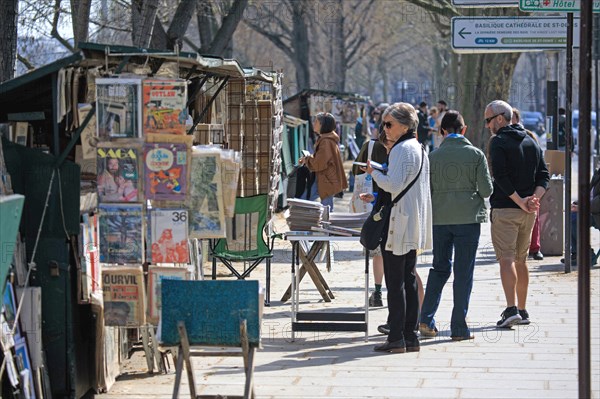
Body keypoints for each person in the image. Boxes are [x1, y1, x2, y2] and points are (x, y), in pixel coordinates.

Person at [362, 102, 432, 353]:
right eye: (383, 124)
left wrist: (374, 172)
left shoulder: (402, 149)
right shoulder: (420, 148)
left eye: (389, 124)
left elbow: (393, 184)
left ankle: (396, 338)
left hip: (399, 223)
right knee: (409, 279)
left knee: (396, 282)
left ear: (404, 125)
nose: (385, 128)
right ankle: (409, 336)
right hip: (413, 221)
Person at [419, 110, 493, 341]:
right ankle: (459, 327)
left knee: (439, 268)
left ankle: (425, 318)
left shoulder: (433, 156)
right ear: (464, 129)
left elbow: (426, 192)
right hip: (468, 220)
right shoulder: (476, 155)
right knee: (463, 272)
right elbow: (487, 190)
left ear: (441, 132)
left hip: (440, 220)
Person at [486, 100, 549, 328]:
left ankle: (511, 309)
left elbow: (500, 177)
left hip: (506, 209)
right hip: (528, 213)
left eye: (489, 120)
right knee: (522, 261)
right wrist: (534, 199)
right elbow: (544, 175)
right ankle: (523, 310)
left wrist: (520, 200)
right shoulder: (531, 140)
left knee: (506, 260)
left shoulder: (498, 142)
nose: (487, 125)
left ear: (500, 118)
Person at [512, 108, 544, 261]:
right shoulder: (501, 139)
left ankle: (535, 247)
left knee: (533, 215)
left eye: (513, 119)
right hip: (513, 187)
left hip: (529, 184)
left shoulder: (530, 137)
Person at [299, 112, 348, 211]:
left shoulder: (326, 141)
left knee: (326, 209)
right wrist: (308, 159)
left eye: (316, 121)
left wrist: (307, 159)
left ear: (323, 125)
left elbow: (319, 163)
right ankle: (300, 221)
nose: (314, 123)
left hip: (327, 179)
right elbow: (321, 159)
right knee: (306, 201)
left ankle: (303, 222)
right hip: (323, 177)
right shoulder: (326, 139)